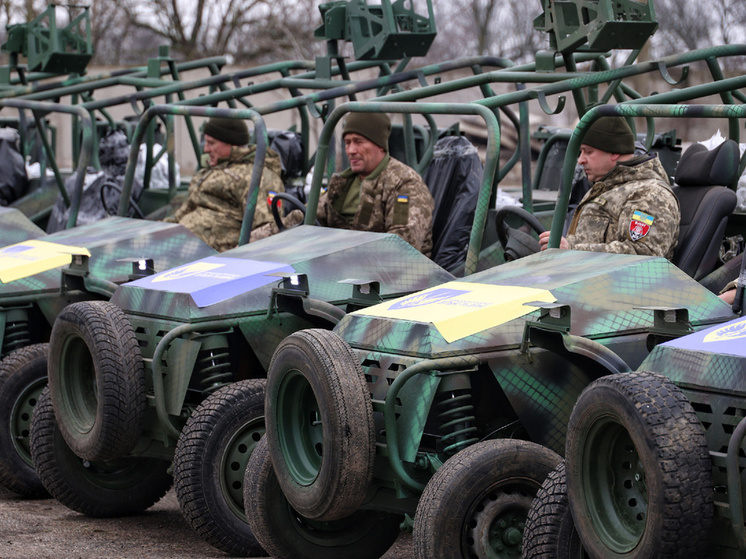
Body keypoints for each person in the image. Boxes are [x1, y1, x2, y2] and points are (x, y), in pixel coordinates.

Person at [251, 112, 434, 255]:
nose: (351, 150)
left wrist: (332, 253)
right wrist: (248, 244)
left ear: (380, 145)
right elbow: (301, 217)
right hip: (345, 275)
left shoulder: (405, 185)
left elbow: (402, 248)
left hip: (398, 284)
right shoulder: (344, 183)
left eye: (358, 142)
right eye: (347, 143)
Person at [538, 116, 680, 259]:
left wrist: (571, 250)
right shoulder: (607, 186)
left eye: (588, 152)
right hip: (585, 276)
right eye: (581, 152)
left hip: (618, 281)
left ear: (614, 152)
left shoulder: (649, 194)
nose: (580, 160)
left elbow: (642, 255)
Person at [166, 116, 284, 252]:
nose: (206, 149)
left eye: (211, 143)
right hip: (181, 248)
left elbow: (268, 230)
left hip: (217, 260)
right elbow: (183, 213)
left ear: (231, 143)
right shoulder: (212, 170)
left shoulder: (259, 176)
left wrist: (236, 256)